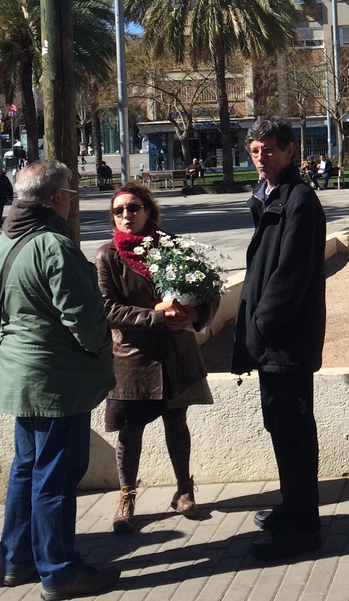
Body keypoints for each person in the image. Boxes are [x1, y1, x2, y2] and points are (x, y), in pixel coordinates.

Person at [0, 160, 120, 600]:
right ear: (56, 198)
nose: (71, 202)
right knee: (56, 477)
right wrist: (103, 350)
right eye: (71, 194)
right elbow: (82, 317)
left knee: (27, 469)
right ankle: (60, 571)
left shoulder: (4, 241)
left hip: (21, 376)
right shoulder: (54, 246)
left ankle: (19, 559)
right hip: (56, 381)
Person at [232, 117, 327, 562]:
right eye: (254, 150)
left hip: (287, 342)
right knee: (281, 428)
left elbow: (290, 276)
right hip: (273, 342)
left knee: (294, 433)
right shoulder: (267, 195)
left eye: (269, 149)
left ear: (290, 151)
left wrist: (259, 328)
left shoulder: (299, 200)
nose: (260, 157)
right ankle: (292, 507)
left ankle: (303, 527)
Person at [96, 184, 215, 534]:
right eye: (118, 211)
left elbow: (208, 290)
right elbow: (108, 309)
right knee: (130, 430)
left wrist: (194, 315)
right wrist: (157, 318)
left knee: (176, 423)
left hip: (176, 354)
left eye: (133, 208)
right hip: (133, 360)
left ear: (148, 211)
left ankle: (184, 489)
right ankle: (126, 496)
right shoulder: (107, 256)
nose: (126, 215)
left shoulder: (172, 246)